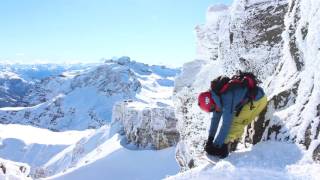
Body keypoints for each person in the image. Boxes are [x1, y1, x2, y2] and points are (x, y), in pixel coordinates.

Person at [199, 73, 267, 158]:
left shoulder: (226, 97)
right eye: (211, 110)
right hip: (250, 100)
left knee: (235, 123)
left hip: (258, 101)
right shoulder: (216, 96)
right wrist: (210, 139)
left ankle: (225, 147)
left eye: (213, 109)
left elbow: (226, 124)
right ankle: (224, 145)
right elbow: (215, 120)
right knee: (232, 122)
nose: (214, 111)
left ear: (212, 102)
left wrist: (216, 146)